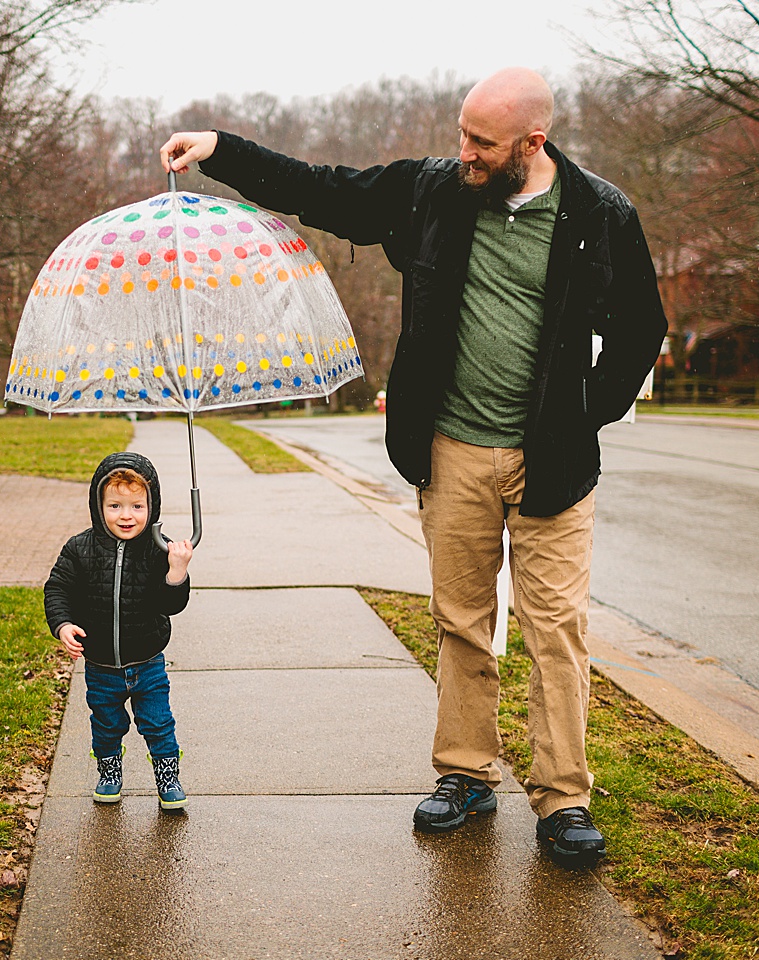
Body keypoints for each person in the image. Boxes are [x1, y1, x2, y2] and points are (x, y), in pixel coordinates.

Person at [161, 67, 667, 865]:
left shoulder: (599, 214)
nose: (463, 150)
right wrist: (221, 150)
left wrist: (583, 414)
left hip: (554, 463)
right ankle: (464, 775)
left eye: (482, 142)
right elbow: (319, 190)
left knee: (554, 633)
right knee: (463, 624)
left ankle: (563, 799)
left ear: (531, 144)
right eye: (461, 132)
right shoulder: (432, 191)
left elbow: (643, 326)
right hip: (454, 449)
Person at [44, 453, 193, 810]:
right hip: (100, 665)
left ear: (151, 506)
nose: (126, 515)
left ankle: (167, 775)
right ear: (98, 506)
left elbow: (170, 604)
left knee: (158, 723)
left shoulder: (160, 550)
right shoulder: (80, 549)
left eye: (137, 506)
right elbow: (58, 589)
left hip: (147, 662)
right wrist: (62, 624)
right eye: (115, 505)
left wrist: (177, 572)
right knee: (106, 725)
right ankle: (109, 771)